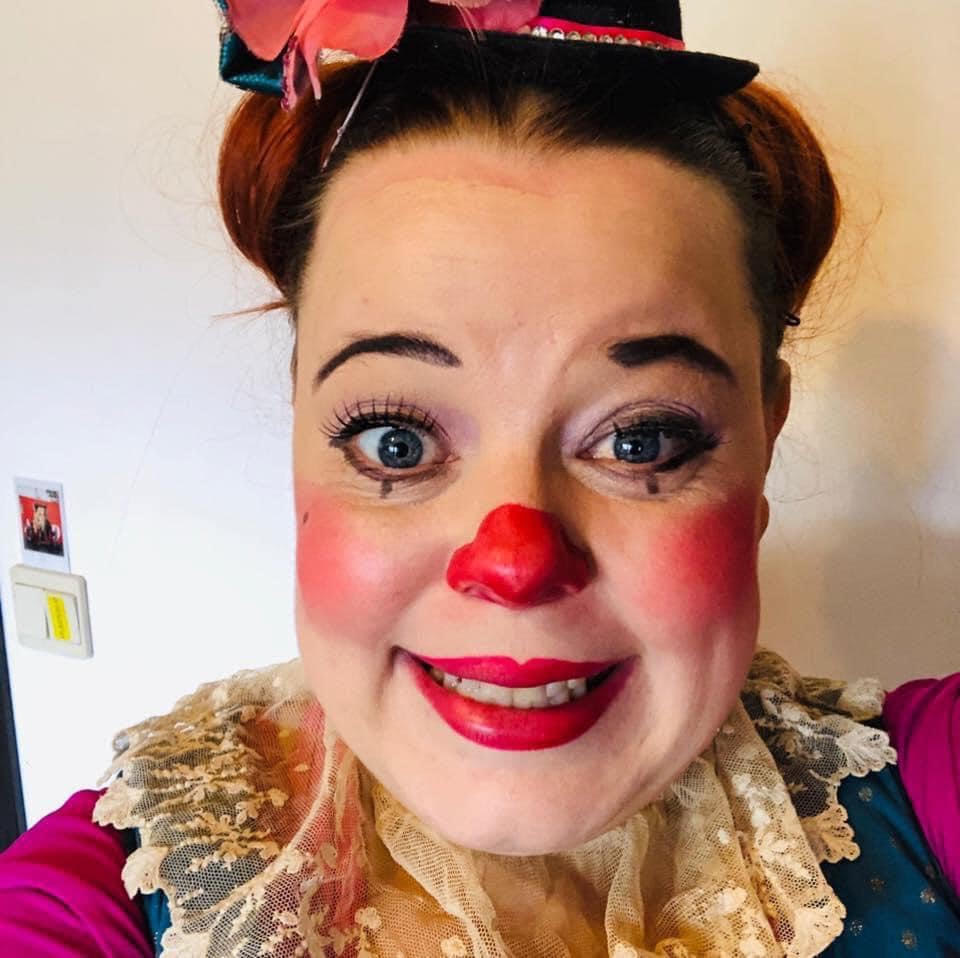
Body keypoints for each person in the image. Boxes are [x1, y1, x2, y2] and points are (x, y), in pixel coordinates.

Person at [1, 0, 958, 955]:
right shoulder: (116, 893)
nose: (514, 564)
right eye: (396, 442)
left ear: (766, 437)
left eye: (641, 442)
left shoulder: (923, 786)